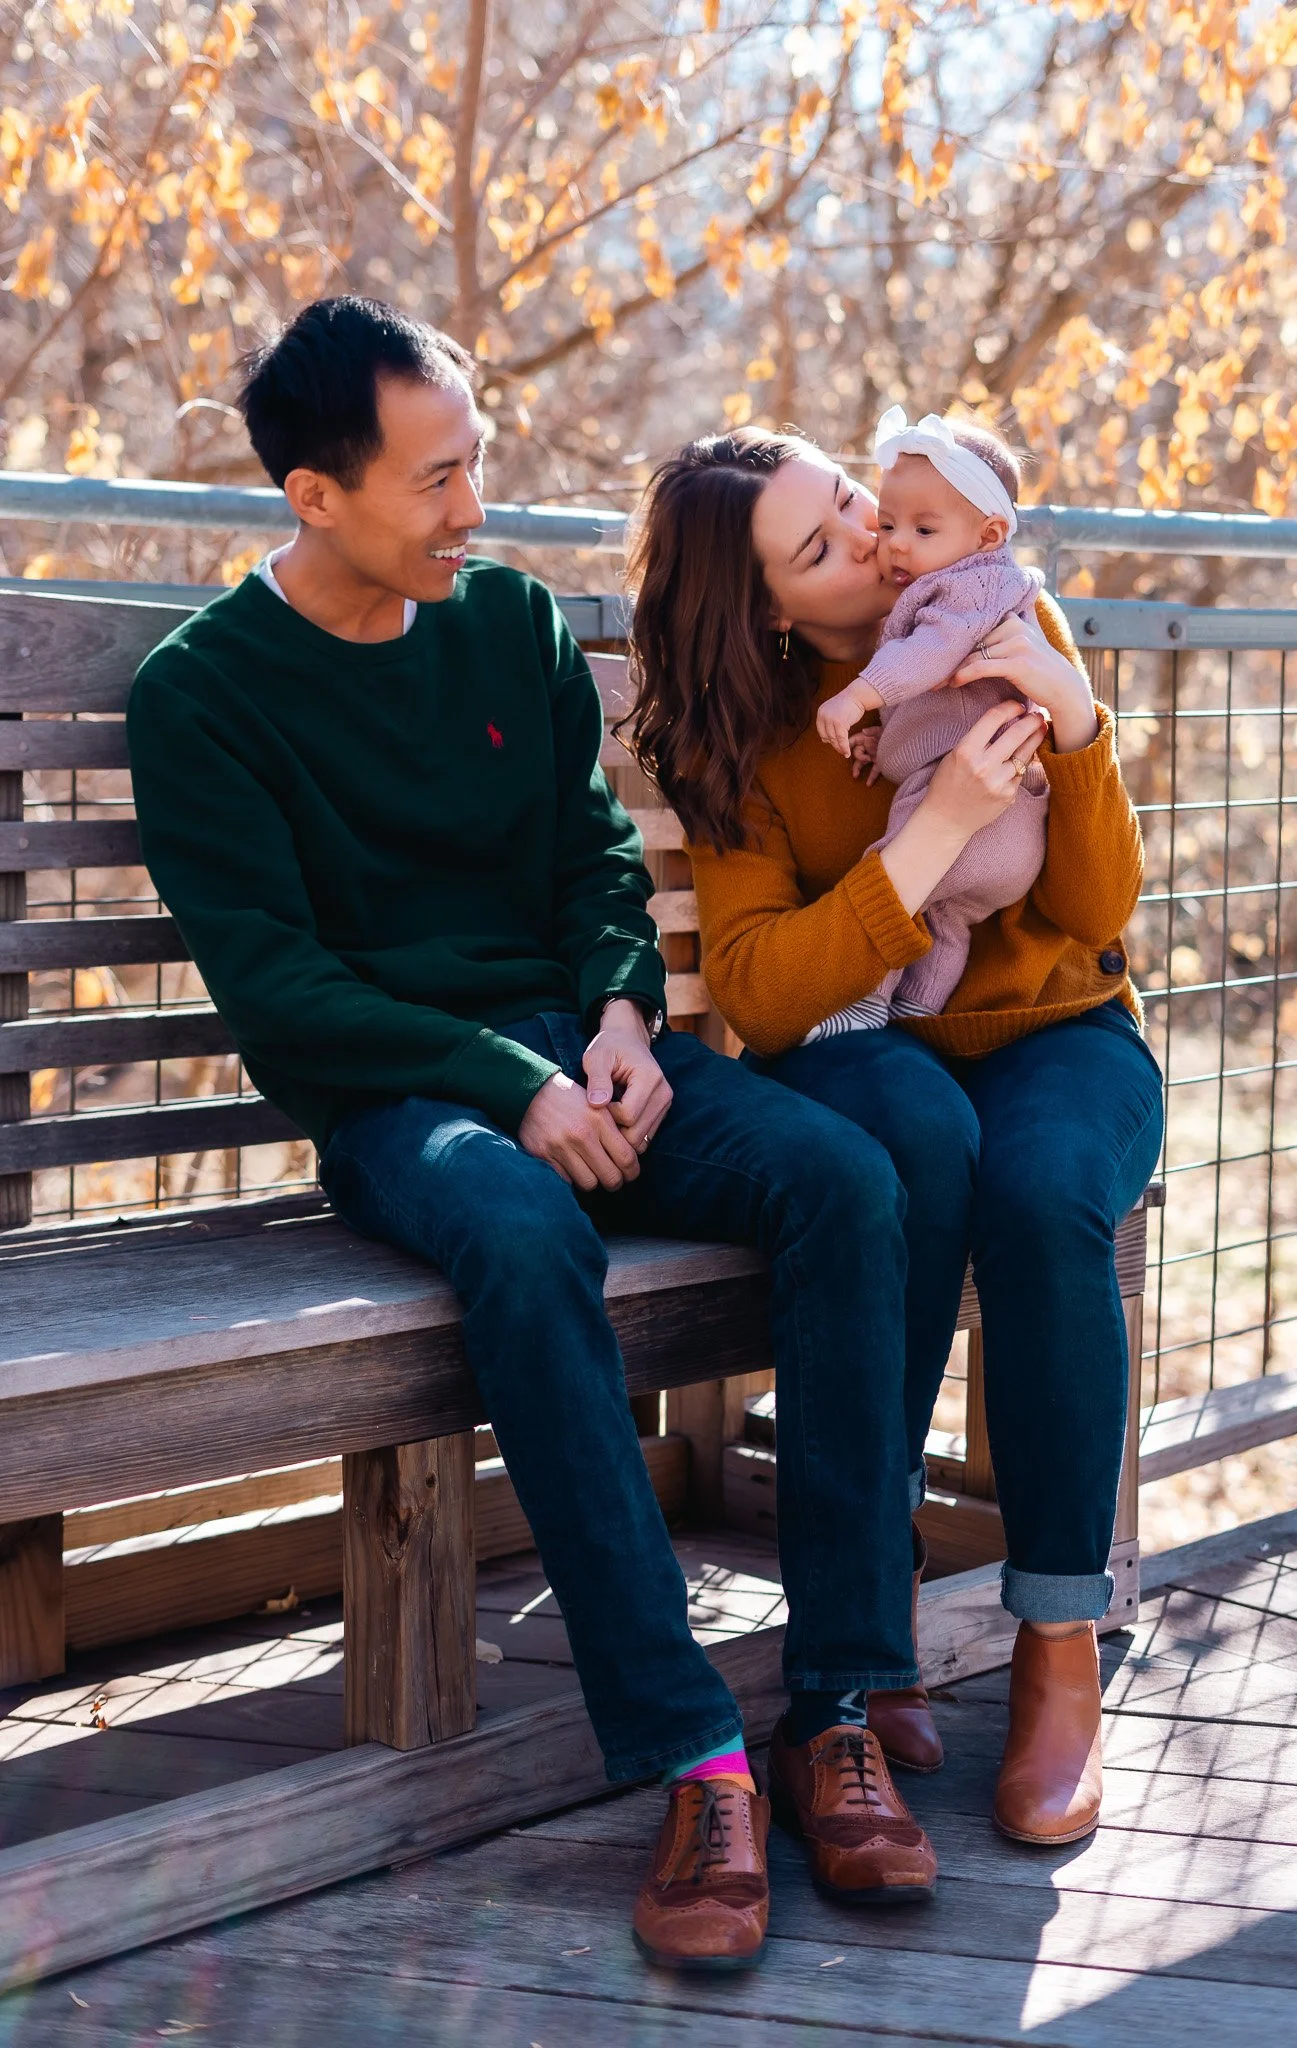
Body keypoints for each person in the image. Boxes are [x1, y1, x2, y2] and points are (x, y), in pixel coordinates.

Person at [125, 297, 939, 1973]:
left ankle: (839, 1696)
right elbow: (286, 993)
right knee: (517, 1230)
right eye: (435, 479)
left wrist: (628, 1014)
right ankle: (694, 1750)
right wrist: (511, 1083)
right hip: (407, 1102)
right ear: (313, 493)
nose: (473, 506)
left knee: (848, 1179)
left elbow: (589, 866)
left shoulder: (505, 625)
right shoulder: (203, 695)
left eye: (476, 460)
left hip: (594, 1053)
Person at [628, 424, 1165, 1847]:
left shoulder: (995, 604)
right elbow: (759, 988)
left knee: (1050, 1193)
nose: (873, 538)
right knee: (914, 1140)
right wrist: (931, 841)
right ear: (764, 613)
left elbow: (1097, 911)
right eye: (821, 545)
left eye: (856, 504)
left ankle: (1060, 1646)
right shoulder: (744, 737)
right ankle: (867, 1638)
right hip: (870, 1050)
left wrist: (1079, 727)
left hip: (1061, 1034)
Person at [810, 408, 1048, 1035]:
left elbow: (927, 657)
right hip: (1009, 832)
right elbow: (939, 704)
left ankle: (861, 1003)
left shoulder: (973, 589)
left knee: (893, 876)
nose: (895, 544)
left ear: (989, 535)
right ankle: (918, 1012)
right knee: (946, 922)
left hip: (984, 808)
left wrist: (858, 696)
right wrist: (880, 736)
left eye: (923, 528)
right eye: (888, 524)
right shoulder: (970, 585)